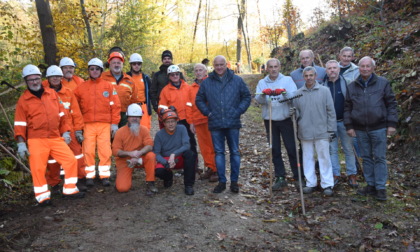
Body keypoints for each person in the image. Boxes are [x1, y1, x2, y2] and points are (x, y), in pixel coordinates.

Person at [14, 64, 84, 206]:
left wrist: (65, 131)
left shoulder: (51, 94)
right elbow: (20, 124)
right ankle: (43, 197)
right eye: (30, 79)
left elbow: (62, 115)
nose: (34, 82)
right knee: (38, 168)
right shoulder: (23, 100)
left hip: (55, 137)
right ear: (26, 81)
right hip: (36, 139)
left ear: (41, 79)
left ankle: (69, 190)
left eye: (36, 78)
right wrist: (21, 143)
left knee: (71, 160)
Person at [344, 56, 397, 201]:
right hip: (360, 129)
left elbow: (391, 104)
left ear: (373, 68)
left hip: (378, 127)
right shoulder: (352, 86)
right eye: (362, 66)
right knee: (366, 158)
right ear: (358, 68)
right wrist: (349, 126)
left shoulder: (383, 83)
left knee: (379, 157)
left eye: (368, 66)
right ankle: (370, 185)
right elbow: (347, 108)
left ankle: (380, 188)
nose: (365, 69)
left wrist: (391, 124)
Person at [196, 55, 251, 194]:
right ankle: (222, 181)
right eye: (217, 65)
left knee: (234, 152)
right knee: (219, 153)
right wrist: (208, 113)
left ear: (226, 64)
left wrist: (238, 111)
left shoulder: (237, 80)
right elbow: (199, 99)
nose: (219, 67)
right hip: (216, 123)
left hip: (233, 122)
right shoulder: (207, 83)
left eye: (222, 64)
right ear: (213, 66)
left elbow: (246, 96)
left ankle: (234, 182)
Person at [255, 58, 301, 190]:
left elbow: (293, 96)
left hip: (285, 119)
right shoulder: (262, 82)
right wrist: (264, 94)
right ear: (267, 69)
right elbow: (258, 99)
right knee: (274, 149)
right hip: (270, 120)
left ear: (279, 67)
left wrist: (284, 93)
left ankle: (298, 176)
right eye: (271, 67)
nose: (273, 69)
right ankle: (280, 177)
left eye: (275, 67)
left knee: (291, 148)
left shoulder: (287, 80)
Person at [74, 58, 121, 187]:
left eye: (97, 69)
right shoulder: (81, 88)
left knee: (105, 150)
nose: (94, 71)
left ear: (101, 70)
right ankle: (89, 175)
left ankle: (104, 175)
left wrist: (114, 123)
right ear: (89, 71)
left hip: (104, 124)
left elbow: (116, 106)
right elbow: (75, 107)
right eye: (92, 69)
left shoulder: (108, 86)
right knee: (88, 150)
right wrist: (77, 126)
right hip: (87, 123)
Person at [292, 66, 336, 196]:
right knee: (307, 158)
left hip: (322, 131)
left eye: (311, 75)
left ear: (315, 76)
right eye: (306, 76)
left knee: (324, 157)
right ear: (303, 77)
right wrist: (293, 113)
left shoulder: (324, 91)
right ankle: (310, 183)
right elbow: (296, 114)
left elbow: (331, 112)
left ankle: (327, 184)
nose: (309, 78)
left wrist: (331, 129)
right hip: (305, 131)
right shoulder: (298, 93)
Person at [42, 65, 87, 192]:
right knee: (52, 159)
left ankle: (80, 179)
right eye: (52, 76)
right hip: (51, 131)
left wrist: (78, 130)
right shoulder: (42, 92)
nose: (55, 79)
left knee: (77, 154)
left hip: (70, 129)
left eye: (57, 76)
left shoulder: (68, 93)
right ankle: (55, 182)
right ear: (48, 78)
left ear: (61, 77)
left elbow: (76, 113)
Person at [321, 60, 358, 187]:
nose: (332, 70)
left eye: (334, 68)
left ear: (339, 69)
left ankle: (352, 174)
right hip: (329, 124)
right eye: (329, 68)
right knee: (332, 150)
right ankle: (335, 174)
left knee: (348, 149)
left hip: (345, 122)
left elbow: (353, 103)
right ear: (326, 70)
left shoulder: (346, 83)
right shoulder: (322, 86)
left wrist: (352, 121)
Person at [112, 104, 157, 193]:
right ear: (127, 117)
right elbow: (115, 151)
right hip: (125, 160)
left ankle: (150, 182)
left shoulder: (144, 130)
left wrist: (139, 153)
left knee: (151, 156)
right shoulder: (120, 132)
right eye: (132, 116)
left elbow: (149, 145)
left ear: (141, 118)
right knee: (122, 188)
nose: (135, 119)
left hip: (140, 157)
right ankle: (120, 179)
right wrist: (130, 154)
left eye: (137, 117)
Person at [153, 108, 197, 195]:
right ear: (164, 123)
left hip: (179, 157)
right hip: (166, 159)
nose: (171, 124)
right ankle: (168, 177)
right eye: (168, 122)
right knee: (158, 171)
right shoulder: (159, 135)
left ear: (176, 121)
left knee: (190, 154)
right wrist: (166, 163)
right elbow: (156, 153)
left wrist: (174, 154)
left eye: (172, 121)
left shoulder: (182, 128)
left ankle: (188, 185)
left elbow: (186, 145)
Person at [186, 63, 218, 182]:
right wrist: (191, 122)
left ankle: (216, 170)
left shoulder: (211, 83)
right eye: (196, 70)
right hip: (198, 121)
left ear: (205, 72)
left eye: (201, 70)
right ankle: (209, 167)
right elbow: (188, 105)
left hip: (210, 120)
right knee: (204, 147)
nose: (198, 72)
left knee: (213, 145)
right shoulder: (191, 88)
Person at [158, 65, 197, 157]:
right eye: (172, 75)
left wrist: (192, 121)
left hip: (188, 120)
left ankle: (194, 166)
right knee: (177, 144)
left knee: (191, 142)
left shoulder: (188, 88)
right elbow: (161, 108)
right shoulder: (165, 90)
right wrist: (168, 111)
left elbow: (192, 105)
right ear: (169, 76)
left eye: (176, 74)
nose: (175, 76)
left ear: (180, 75)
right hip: (175, 121)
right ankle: (178, 164)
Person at [102, 51, 138, 127]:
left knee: (124, 137)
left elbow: (134, 100)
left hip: (124, 115)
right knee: (108, 138)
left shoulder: (130, 80)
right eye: (114, 63)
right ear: (110, 64)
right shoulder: (102, 77)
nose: (116, 65)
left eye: (118, 63)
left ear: (122, 64)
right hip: (106, 114)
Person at [150, 50, 185, 116]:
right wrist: (156, 107)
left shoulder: (178, 73)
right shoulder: (157, 75)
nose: (167, 60)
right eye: (165, 59)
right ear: (162, 60)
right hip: (163, 106)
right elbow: (153, 91)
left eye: (169, 58)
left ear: (171, 60)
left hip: (178, 105)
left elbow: (184, 87)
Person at [126, 53, 153, 130]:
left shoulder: (145, 78)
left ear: (141, 65)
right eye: (134, 64)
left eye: (138, 63)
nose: (136, 65)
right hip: (130, 106)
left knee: (145, 129)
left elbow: (151, 93)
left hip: (143, 106)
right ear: (131, 64)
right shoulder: (126, 77)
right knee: (131, 130)